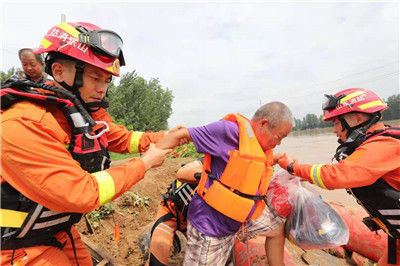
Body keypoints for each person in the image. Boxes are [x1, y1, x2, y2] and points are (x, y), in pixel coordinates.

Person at [1, 22, 172, 266]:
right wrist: (144, 164)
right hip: (17, 248)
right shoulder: (24, 121)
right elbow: (79, 192)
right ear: (58, 72)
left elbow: (122, 138)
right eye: (94, 77)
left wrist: (171, 136)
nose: (102, 89)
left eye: (106, 81)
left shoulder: (78, 112)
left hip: (55, 231)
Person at [156, 102, 293, 265]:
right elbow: (181, 134)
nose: (279, 143)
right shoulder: (226, 131)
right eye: (280, 137)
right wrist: (152, 156)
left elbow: (245, 172)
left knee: (276, 229)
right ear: (264, 124)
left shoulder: (259, 146)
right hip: (210, 226)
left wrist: (276, 161)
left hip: (241, 216)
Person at [275, 88, 400, 266]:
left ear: (356, 118)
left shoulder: (383, 145)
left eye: (336, 122)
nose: (334, 130)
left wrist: (291, 166)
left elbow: (334, 176)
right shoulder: (374, 144)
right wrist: (297, 174)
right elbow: (340, 170)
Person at [145, 158, 203, 266]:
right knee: (156, 262)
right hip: (170, 211)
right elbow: (182, 172)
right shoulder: (210, 164)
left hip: (196, 224)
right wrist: (205, 174)